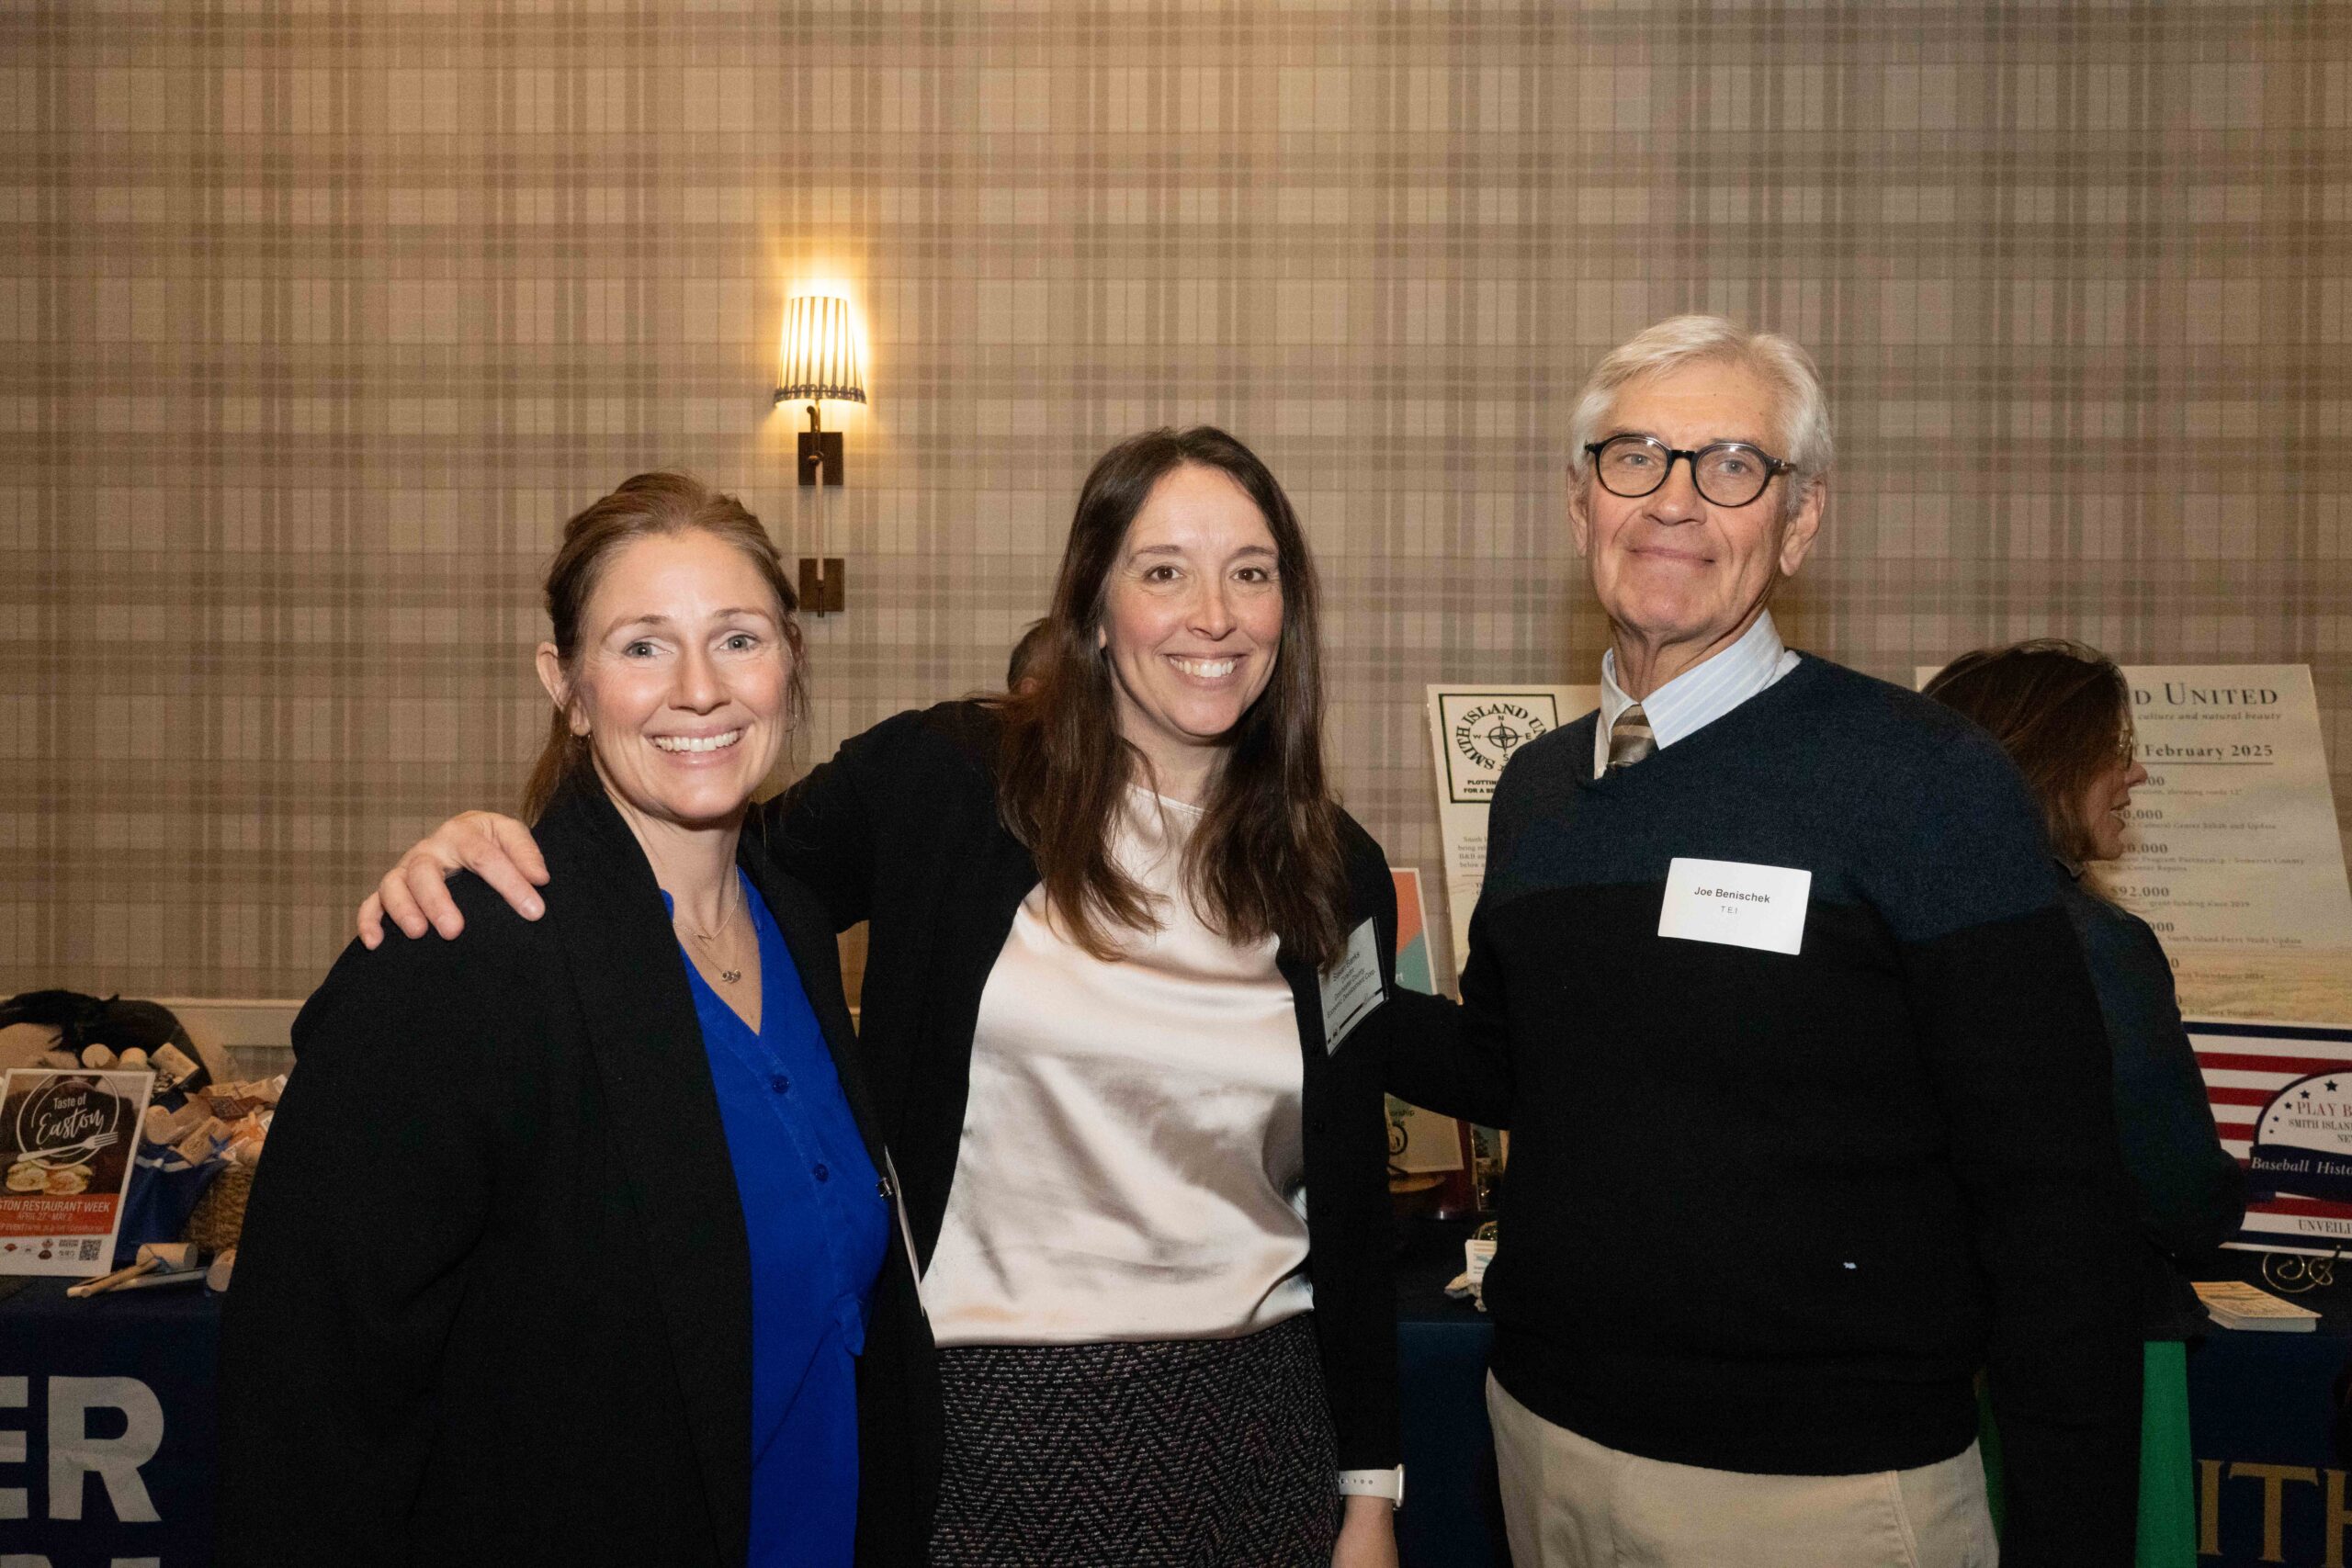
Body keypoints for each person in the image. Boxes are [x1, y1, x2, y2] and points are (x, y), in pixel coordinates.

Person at [359, 428, 1404, 1567]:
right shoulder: (948, 783)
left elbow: (1347, 1196)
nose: (1214, 614)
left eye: (1251, 573)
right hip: (975, 1432)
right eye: (1163, 571)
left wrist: (1370, 1495)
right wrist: (501, 850)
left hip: (1256, 1434)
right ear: (1093, 610)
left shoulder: (1333, 869)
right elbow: (702, 849)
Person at [1385, 316, 2144, 1567]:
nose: (1674, 498)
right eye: (1634, 456)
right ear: (1581, 503)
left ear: (1798, 522)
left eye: (1730, 463)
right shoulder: (1536, 791)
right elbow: (1525, 1070)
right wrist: (1305, 977)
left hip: (1822, 1491)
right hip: (1541, 1446)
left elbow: (2053, 1192)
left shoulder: (1927, 777)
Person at [216, 474, 930, 1568]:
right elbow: (307, 1406)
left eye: (737, 638)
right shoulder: (462, 956)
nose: (700, 689)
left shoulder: (792, 924)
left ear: (789, 658)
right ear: (568, 684)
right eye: (643, 646)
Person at [1926, 637, 2247, 1567]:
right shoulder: (2095, 946)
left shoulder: (1878, 927)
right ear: (2047, 765)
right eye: (2113, 746)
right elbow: (2177, 1186)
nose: (2135, 771)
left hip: (1923, 1356)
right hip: (2090, 1348)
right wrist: (2225, 1195)